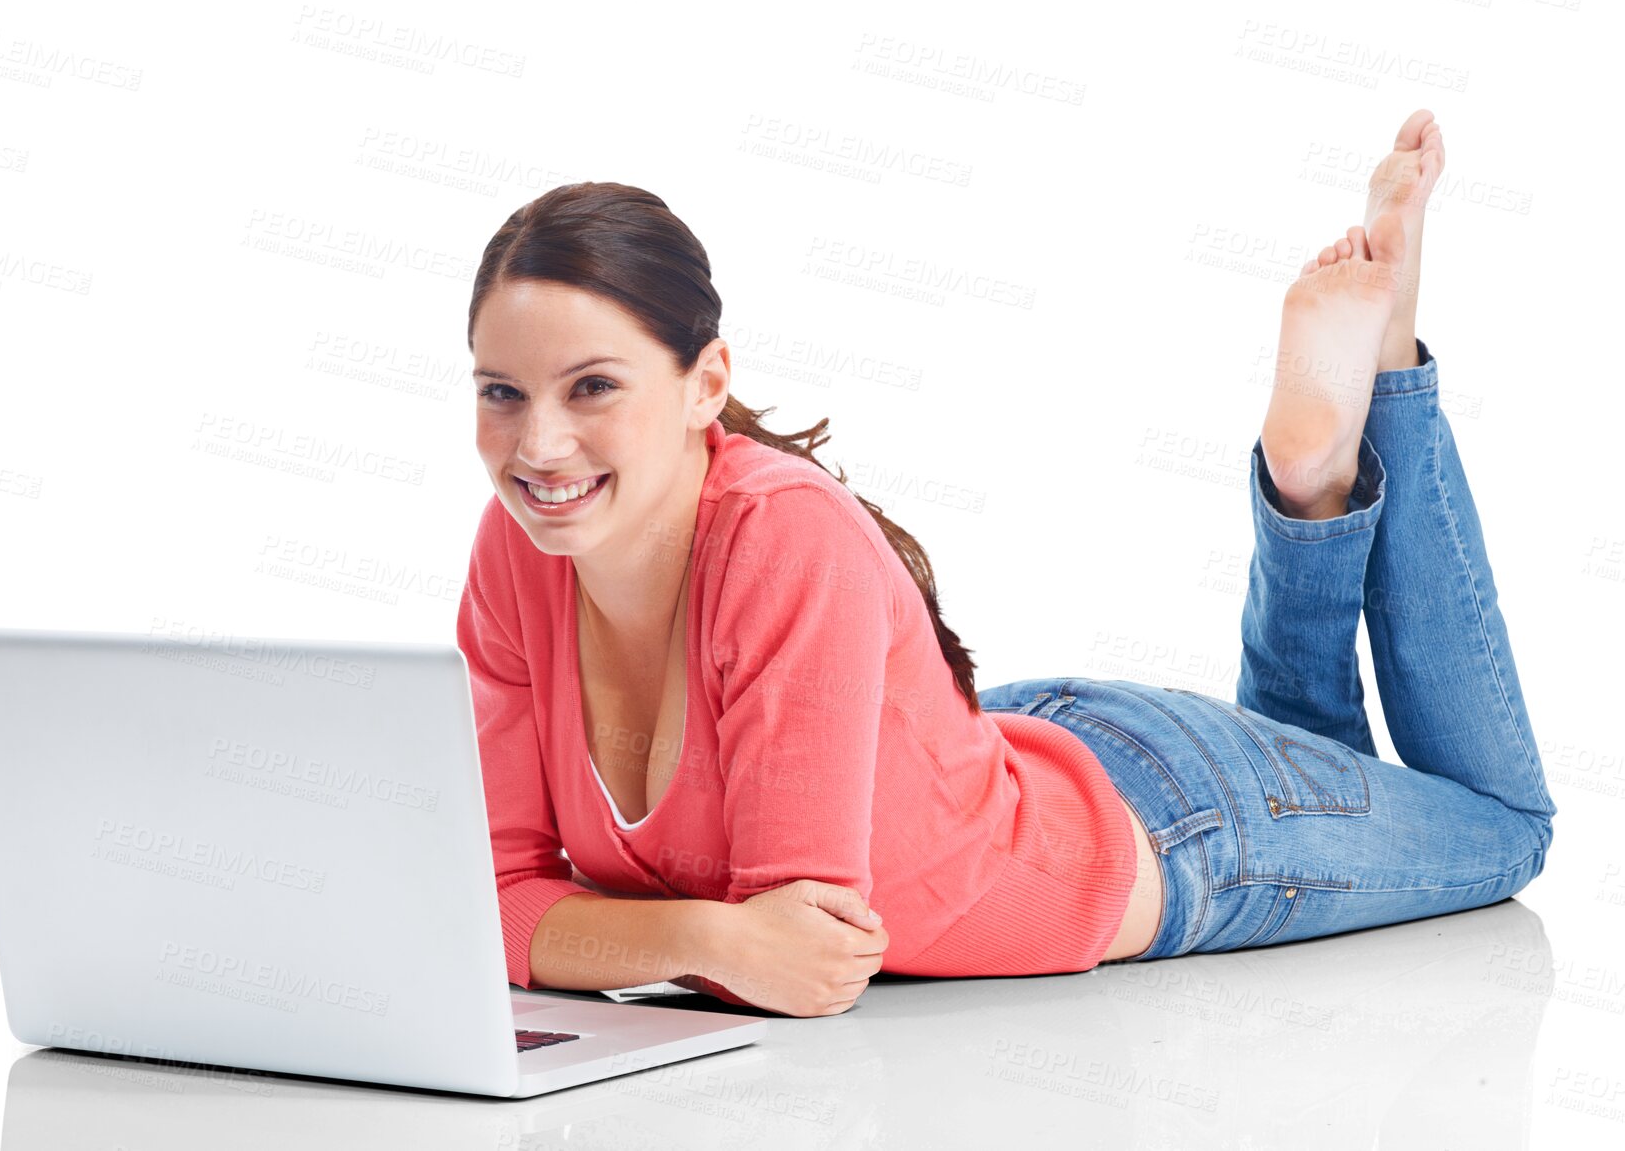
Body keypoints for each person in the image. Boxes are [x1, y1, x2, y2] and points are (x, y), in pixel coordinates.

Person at [457, 109, 1557, 1019]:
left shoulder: (779, 533)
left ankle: (1390, 366)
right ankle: (1312, 490)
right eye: (501, 393)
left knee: (1501, 827)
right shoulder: (521, 550)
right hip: (1011, 750)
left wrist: (622, 936)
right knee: (1320, 763)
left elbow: (803, 962)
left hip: (1180, 829)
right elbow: (486, 903)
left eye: (591, 387)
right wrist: (707, 936)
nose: (538, 447)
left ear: (705, 386)